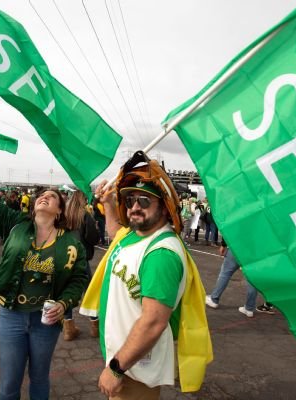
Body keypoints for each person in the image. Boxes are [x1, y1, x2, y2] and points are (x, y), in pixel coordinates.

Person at [0, 149, 89, 400]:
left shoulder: (70, 244)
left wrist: (63, 303)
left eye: (52, 196)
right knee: (9, 383)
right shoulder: (14, 224)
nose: (44, 197)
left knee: (39, 379)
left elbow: (79, 279)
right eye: (42, 195)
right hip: (11, 315)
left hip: (45, 321)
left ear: (59, 210)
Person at [81, 151, 212, 399]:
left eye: (144, 200)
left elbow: (153, 322)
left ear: (164, 207)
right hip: (125, 358)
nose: (134, 207)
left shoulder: (161, 254)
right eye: (129, 200)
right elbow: (115, 232)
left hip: (134, 368)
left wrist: (116, 368)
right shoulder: (135, 235)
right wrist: (109, 205)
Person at [63, 190, 100, 340]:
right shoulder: (84, 215)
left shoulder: (64, 215)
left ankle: (68, 328)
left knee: (67, 291)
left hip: (65, 257)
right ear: (82, 200)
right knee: (89, 290)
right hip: (81, 257)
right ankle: (95, 326)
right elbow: (93, 238)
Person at [205, 240, 265, 318]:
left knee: (225, 273)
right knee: (252, 278)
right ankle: (249, 308)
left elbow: (230, 228)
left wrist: (223, 244)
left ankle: (214, 299)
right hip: (256, 250)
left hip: (238, 246)